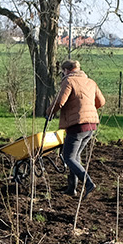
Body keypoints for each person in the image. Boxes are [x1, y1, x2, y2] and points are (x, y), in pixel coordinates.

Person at [45, 59, 105, 197]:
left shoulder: (69, 81)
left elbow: (60, 102)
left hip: (77, 125)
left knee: (68, 157)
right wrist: (87, 109)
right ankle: (72, 189)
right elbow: (101, 102)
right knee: (75, 156)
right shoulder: (90, 82)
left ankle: (88, 183)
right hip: (91, 125)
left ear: (66, 71)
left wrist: (49, 112)